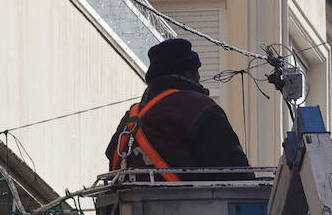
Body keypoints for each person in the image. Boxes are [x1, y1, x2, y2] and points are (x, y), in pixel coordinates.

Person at [105, 37, 250, 179]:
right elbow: (235, 172)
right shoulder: (199, 108)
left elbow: (112, 157)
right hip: (190, 203)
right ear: (189, 74)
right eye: (197, 73)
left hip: (128, 202)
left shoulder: (131, 117)